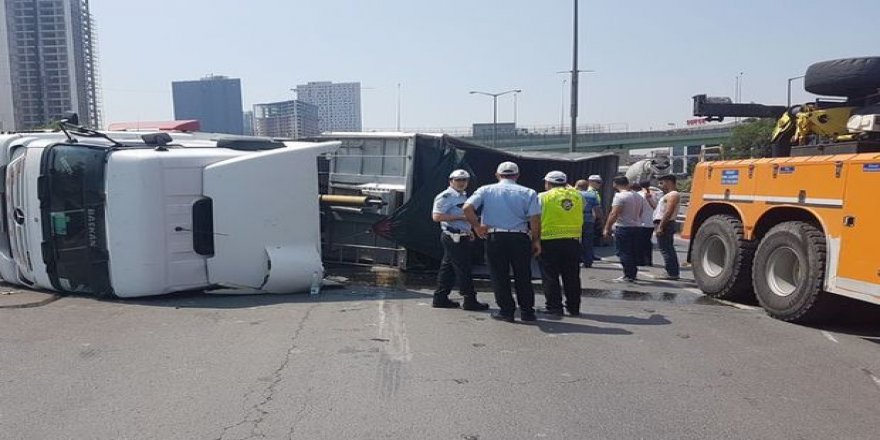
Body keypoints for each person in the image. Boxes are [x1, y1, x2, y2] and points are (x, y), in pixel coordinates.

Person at [463, 161, 541, 323]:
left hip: (495, 237)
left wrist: (477, 227)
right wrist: (536, 240)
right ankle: (527, 312)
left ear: (497, 175)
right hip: (520, 237)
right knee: (523, 275)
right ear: (517, 175)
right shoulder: (529, 192)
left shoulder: (486, 190)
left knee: (499, 275)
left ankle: (507, 311)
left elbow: (467, 208)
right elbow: (535, 219)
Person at [431, 169, 490, 310]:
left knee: (448, 268)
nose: (461, 183)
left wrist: (468, 229)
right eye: (458, 180)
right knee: (463, 268)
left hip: (461, 235)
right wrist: (461, 218)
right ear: (450, 181)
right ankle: (470, 299)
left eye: (464, 180)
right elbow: (436, 216)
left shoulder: (462, 195)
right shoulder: (446, 196)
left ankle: (440, 297)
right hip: (453, 237)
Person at [538, 171, 584, 317]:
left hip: (549, 240)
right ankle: (573, 307)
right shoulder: (578, 196)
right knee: (572, 276)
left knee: (550, 275)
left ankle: (554, 307)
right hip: (572, 240)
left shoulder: (543, 197)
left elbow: (535, 216)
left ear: (548, 183)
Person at [603, 176, 643, 282]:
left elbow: (614, 213)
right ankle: (632, 273)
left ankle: (628, 275)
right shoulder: (638, 196)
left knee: (623, 252)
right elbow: (641, 212)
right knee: (633, 252)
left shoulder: (620, 196)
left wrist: (607, 228)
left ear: (615, 184)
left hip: (624, 226)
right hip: (637, 226)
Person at [653, 175, 681, 280]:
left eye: (662, 183)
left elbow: (669, 211)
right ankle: (671, 272)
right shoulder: (668, 194)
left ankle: (672, 273)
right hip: (664, 222)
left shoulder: (673, 194)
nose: (660, 185)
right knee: (666, 248)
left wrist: (661, 226)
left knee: (667, 249)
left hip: (666, 223)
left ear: (669, 182)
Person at [574, 179, 601, 267]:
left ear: (577, 186)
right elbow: (597, 210)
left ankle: (577, 259)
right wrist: (598, 220)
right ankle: (588, 261)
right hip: (589, 219)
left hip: (575, 220)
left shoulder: (574, 194)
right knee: (588, 241)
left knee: (575, 241)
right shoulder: (592, 195)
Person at [633, 181, 658, 267]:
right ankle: (648, 260)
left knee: (639, 242)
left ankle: (640, 260)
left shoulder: (639, 194)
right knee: (647, 242)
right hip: (650, 222)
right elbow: (655, 207)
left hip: (641, 222)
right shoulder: (654, 194)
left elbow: (638, 209)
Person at [587, 175, 605, 251]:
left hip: (594, 217)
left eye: (600, 182)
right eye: (597, 182)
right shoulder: (589, 192)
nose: (599, 184)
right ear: (590, 182)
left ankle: (591, 254)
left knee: (592, 237)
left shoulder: (595, 192)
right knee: (589, 237)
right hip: (591, 217)